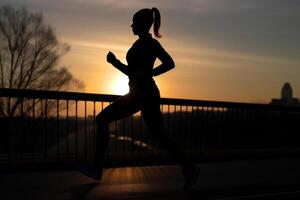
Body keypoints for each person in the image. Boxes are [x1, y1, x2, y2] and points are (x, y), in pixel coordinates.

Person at [77, 7, 199, 189]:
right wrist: (115, 63)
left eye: (133, 22)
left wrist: (149, 72)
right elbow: (133, 73)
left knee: (103, 119)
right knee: (159, 135)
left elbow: (169, 63)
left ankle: (96, 167)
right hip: (139, 94)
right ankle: (189, 168)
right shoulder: (139, 44)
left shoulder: (150, 44)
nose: (131, 25)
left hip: (144, 94)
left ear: (141, 24)